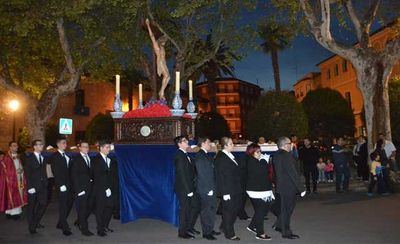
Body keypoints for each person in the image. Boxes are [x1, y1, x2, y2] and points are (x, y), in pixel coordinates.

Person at [272, 137, 306, 239]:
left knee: (284, 209)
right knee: (287, 210)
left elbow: (277, 172)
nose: (292, 145)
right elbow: (292, 173)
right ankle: (286, 232)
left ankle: (278, 226)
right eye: (290, 143)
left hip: (282, 187)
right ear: (285, 145)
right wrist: (301, 189)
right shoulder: (286, 156)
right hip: (288, 187)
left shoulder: (276, 155)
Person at [215, 137, 241, 241]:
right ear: (225, 145)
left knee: (234, 209)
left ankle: (224, 226)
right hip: (228, 190)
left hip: (234, 188)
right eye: (230, 143)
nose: (233, 145)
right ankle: (229, 233)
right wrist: (225, 193)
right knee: (229, 211)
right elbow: (220, 176)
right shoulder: (221, 158)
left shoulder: (229, 155)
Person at [245, 143, 273, 241]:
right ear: (252, 152)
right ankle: (260, 233)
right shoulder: (252, 161)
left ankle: (252, 226)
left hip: (261, 190)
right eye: (257, 152)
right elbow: (262, 171)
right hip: (256, 191)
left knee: (262, 209)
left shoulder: (255, 161)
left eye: (260, 151)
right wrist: (264, 161)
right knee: (260, 211)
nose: (260, 153)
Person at [194, 137, 220, 240]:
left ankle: (210, 228)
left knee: (211, 210)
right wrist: (208, 189)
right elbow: (202, 174)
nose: (211, 144)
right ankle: (206, 232)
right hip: (206, 188)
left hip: (210, 187)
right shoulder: (200, 156)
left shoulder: (205, 155)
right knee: (206, 211)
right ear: (204, 143)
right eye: (209, 142)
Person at [173, 136, 196, 239]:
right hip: (184, 189)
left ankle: (186, 229)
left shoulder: (184, 154)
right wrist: (188, 190)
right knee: (184, 211)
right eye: (184, 141)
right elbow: (182, 174)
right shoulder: (179, 155)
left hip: (188, 187)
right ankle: (182, 233)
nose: (187, 142)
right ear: (179, 144)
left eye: (187, 140)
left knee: (188, 209)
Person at [50, 137, 73, 236]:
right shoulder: (55, 156)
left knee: (69, 203)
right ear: (58, 144)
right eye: (63, 143)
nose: (65, 145)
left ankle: (60, 222)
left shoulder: (66, 155)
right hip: (62, 185)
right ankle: (64, 227)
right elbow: (56, 171)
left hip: (69, 184)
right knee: (63, 206)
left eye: (65, 143)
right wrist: (61, 184)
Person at [71, 141, 95, 236]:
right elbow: (74, 176)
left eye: (87, 147)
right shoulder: (76, 159)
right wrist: (79, 190)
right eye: (84, 147)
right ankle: (84, 229)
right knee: (83, 209)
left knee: (89, 207)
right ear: (80, 148)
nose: (86, 148)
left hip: (89, 188)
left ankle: (79, 221)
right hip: (81, 189)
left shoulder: (89, 158)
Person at [92, 141, 115, 237]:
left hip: (109, 188)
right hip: (100, 189)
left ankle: (105, 225)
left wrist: (110, 187)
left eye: (109, 147)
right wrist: (106, 188)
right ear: (101, 148)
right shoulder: (96, 160)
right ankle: (100, 229)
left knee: (109, 207)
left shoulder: (108, 159)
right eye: (107, 147)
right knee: (100, 209)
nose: (109, 149)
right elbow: (98, 176)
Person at [25, 140, 48, 234]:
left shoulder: (42, 157)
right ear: (34, 147)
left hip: (42, 186)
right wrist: (30, 187)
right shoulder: (30, 158)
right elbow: (27, 173)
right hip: (33, 187)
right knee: (31, 207)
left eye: (42, 144)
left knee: (43, 204)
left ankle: (35, 222)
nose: (41, 146)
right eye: (39, 144)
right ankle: (32, 226)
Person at [0, 141, 27, 219]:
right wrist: (16, 172)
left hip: (19, 178)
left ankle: (11, 212)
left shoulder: (18, 156)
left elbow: (19, 166)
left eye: (17, 146)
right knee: (13, 195)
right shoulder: (7, 158)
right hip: (11, 180)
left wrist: (21, 171)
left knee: (18, 194)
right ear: (10, 147)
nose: (16, 147)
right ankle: (14, 213)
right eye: (14, 146)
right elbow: (5, 170)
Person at [145, 18, 170, 100]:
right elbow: (152, 36)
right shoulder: (157, 47)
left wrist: (158, 25)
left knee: (168, 77)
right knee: (166, 76)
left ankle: (161, 91)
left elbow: (166, 35)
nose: (165, 42)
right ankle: (161, 92)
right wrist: (148, 25)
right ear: (161, 41)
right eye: (164, 41)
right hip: (160, 62)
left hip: (164, 63)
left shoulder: (163, 47)